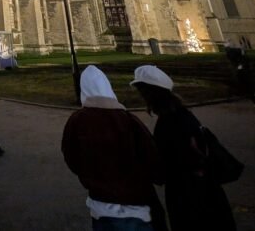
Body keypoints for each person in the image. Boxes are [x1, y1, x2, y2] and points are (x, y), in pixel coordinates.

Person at [131, 65, 236, 231]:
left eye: (142, 91)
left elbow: (170, 161)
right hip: (202, 188)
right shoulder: (180, 113)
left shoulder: (169, 122)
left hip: (189, 192)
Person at [62, 65, 165, 231]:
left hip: (100, 204)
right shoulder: (128, 120)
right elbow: (152, 158)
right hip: (135, 206)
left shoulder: (77, 121)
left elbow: (71, 157)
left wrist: (91, 178)